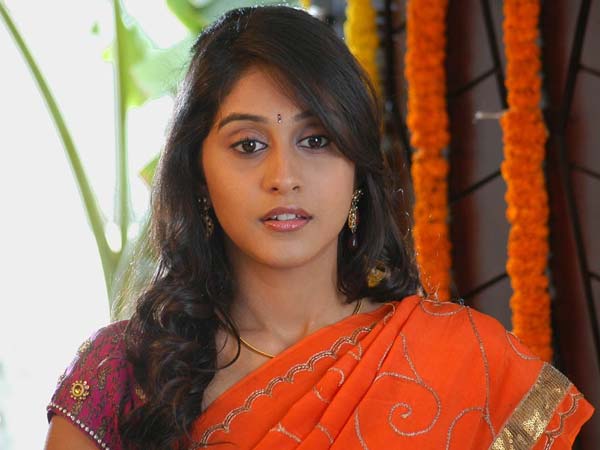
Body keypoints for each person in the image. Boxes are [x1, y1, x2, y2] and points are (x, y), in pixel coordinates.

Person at [44, 5, 593, 450]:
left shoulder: (469, 361)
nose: (284, 177)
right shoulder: (128, 375)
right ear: (199, 174)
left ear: (356, 168)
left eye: (316, 140)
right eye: (248, 145)